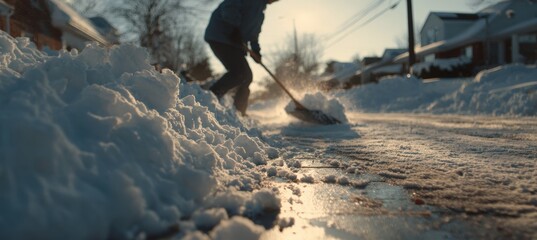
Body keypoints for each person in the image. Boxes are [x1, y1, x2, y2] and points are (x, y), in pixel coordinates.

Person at [204, 0, 279, 116]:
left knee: (247, 76)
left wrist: (256, 50)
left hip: (234, 43)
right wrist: (233, 28)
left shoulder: (260, 13)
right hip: (221, 36)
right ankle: (207, 100)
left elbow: (254, 35)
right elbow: (229, 6)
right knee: (239, 73)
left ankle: (239, 112)